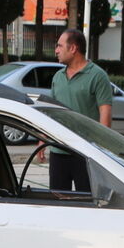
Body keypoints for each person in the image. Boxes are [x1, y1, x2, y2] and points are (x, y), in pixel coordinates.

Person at [47, 28, 112, 192]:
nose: (56, 51)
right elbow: (51, 111)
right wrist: (42, 139)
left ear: (73, 48)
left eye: (60, 46)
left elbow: (105, 114)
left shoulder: (98, 76)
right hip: (58, 150)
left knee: (86, 201)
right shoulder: (57, 77)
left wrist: (101, 151)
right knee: (58, 202)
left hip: (86, 153)